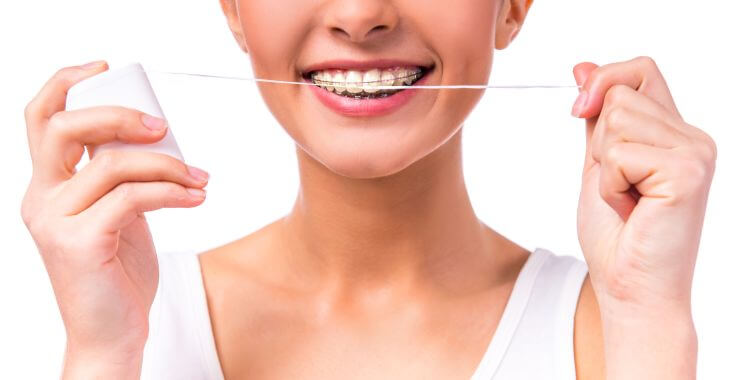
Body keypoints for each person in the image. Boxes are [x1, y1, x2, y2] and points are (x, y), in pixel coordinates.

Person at [20, 0, 717, 378]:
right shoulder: (133, 323)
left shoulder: (611, 332)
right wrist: (103, 359)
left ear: (513, 6)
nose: (359, 15)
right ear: (233, 8)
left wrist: (649, 322)